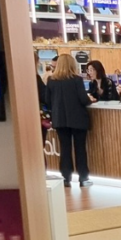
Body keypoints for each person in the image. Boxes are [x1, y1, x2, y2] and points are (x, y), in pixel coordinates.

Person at [47, 53, 95, 187]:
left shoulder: (51, 80)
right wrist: (90, 100)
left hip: (59, 120)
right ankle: (83, 178)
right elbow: (83, 99)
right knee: (80, 149)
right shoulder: (76, 80)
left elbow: (47, 101)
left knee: (65, 149)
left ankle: (66, 178)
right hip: (78, 119)